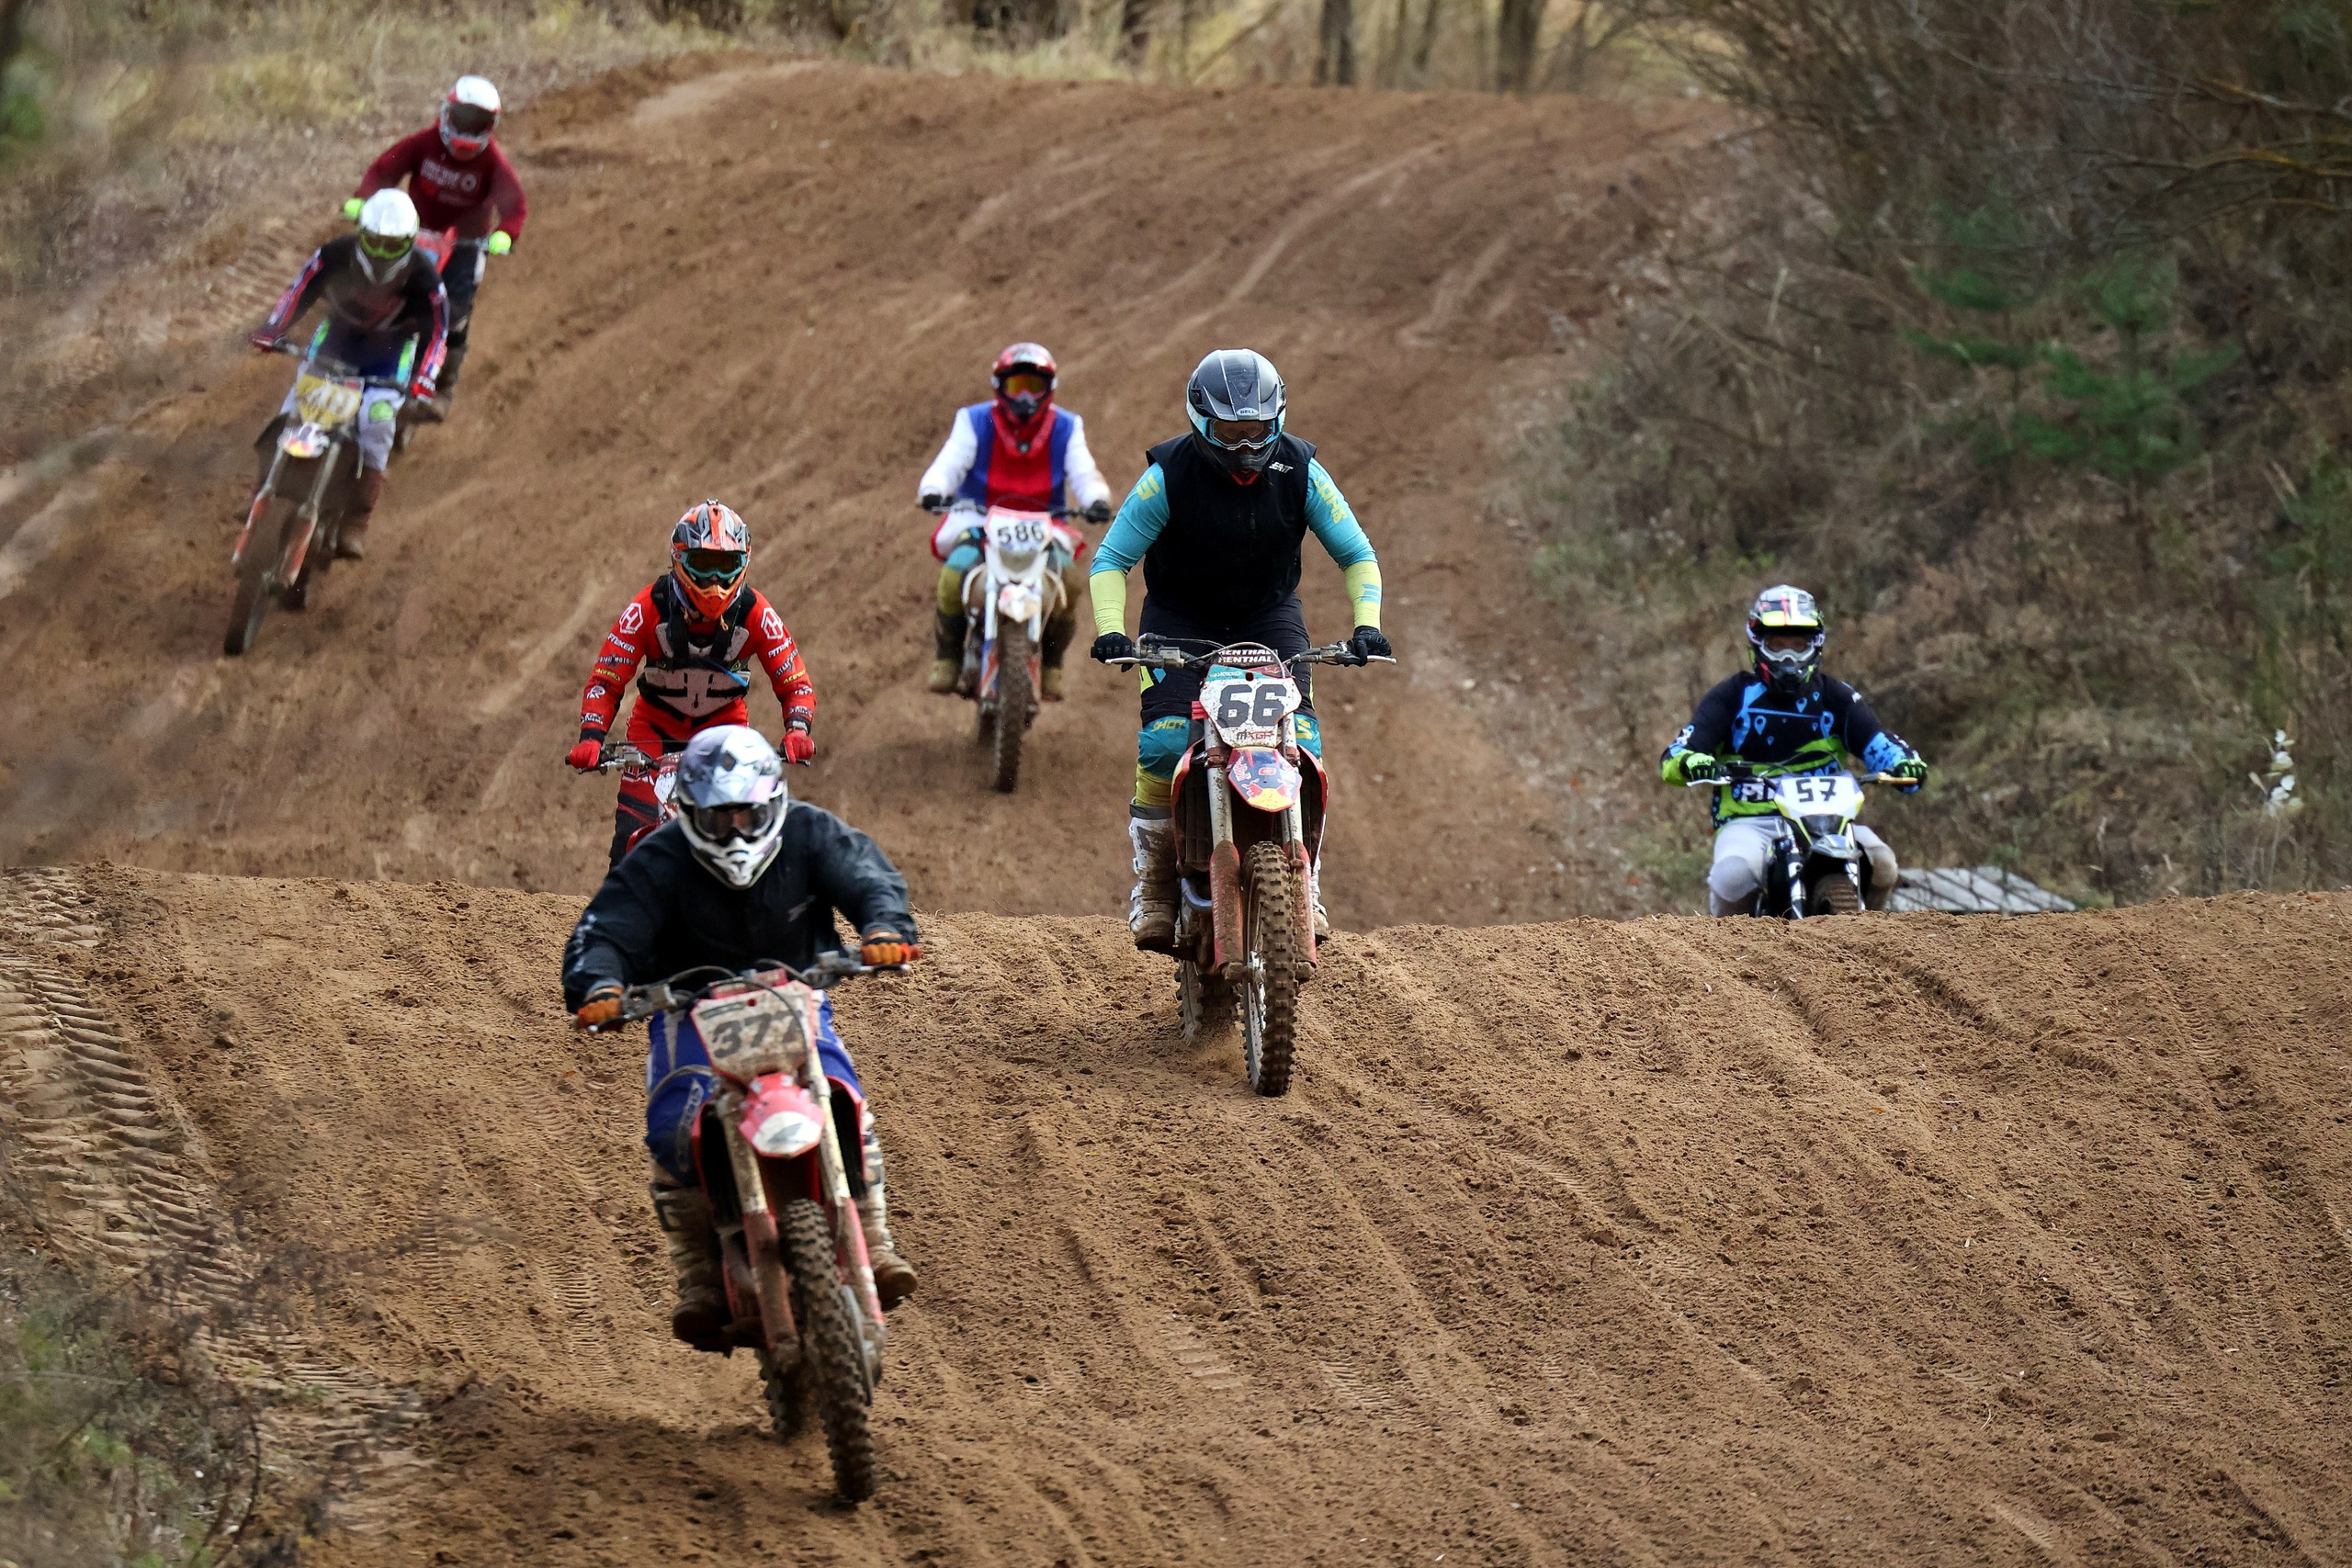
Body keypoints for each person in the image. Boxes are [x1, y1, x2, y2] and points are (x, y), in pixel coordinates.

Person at [562, 726, 921, 1347]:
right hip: (688, 1010)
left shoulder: (809, 831)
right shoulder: (660, 858)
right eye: (718, 816)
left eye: (746, 813)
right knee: (674, 1126)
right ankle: (698, 1272)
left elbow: (867, 875)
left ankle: (873, 1231)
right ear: (689, 812)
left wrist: (884, 925)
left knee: (840, 1094)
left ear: (772, 802)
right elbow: (607, 928)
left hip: (795, 991)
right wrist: (599, 983)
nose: (734, 828)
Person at [1086, 348, 1388, 950]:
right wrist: (1111, 630)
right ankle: (1153, 881)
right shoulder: (1167, 474)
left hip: (1268, 617)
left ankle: (1308, 880)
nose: (1247, 448)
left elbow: (1356, 554)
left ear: (1278, 420)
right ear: (1201, 422)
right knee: (1168, 739)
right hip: (1180, 618)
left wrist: (1367, 624)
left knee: (1300, 742)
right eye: (1231, 432)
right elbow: (1111, 561)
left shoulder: (1302, 471)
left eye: (1258, 432)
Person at [567, 501, 818, 867]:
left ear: (743, 563)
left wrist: (797, 730)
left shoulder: (756, 612)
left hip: (725, 735)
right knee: (629, 848)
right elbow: (606, 680)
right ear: (679, 559)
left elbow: (795, 683)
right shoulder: (648, 607)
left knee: (743, 842)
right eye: (703, 565)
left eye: (725, 566)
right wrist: (591, 737)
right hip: (653, 734)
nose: (715, 582)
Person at [1658, 584, 1930, 915]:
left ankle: (1873, 933)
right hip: (1751, 821)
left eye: (1798, 644)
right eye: (1778, 644)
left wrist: (1904, 764)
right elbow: (1676, 754)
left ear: (1814, 644)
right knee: (1732, 876)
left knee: (1884, 863)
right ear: (1758, 643)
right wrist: (1693, 762)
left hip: (1829, 822)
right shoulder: (1731, 696)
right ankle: (1723, 955)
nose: (1788, 656)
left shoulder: (1836, 697)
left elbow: (1877, 742)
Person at [249, 188, 447, 561]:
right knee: (296, 405)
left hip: (389, 356)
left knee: (377, 422)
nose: (382, 253)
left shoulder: (425, 276)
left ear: (409, 243)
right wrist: (273, 328)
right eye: (374, 242)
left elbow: (438, 332)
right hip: (336, 340)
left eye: (393, 246)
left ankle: (358, 519)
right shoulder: (334, 253)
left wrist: (424, 378)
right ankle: (263, 489)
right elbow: (299, 289)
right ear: (360, 234)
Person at [917, 343, 1113, 699]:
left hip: (1045, 522)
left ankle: (1053, 663)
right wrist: (933, 488)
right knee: (954, 573)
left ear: (1048, 390)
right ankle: (947, 657)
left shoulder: (1067, 426)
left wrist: (1096, 499)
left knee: (1068, 580)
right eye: (1016, 385)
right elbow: (949, 464)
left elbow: (1084, 472)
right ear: (999, 386)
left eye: (1033, 386)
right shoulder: (974, 420)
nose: (1024, 396)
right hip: (979, 518)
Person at [346, 74, 526, 410]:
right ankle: (346, 349)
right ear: (446, 113)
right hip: (412, 231)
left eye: (478, 122)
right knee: (373, 284)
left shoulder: (492, 162)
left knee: (454, 314)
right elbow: (383, 171)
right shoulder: (424, 143)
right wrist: (364, 199)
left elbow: (514, 205)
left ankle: (442, 387)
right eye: (462, 118)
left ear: (491, 125)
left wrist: (504, 235)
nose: (468, 129)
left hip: (466, 245)